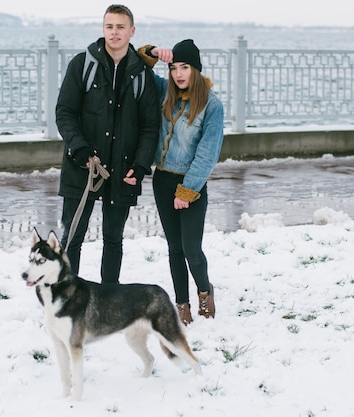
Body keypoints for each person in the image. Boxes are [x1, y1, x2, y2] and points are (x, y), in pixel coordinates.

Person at [55, 4, 160, 284]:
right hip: (83, 166)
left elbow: (150, 126)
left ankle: (109, 297)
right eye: (110, 26)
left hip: (123, 169)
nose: (115, 32)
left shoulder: (141, 73)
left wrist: (139, 166)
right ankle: (66, 296)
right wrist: (80, 150)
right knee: (72, 237)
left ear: (131, 31)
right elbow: (64, 112)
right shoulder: (82, 64)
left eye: (121, 27)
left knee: (113, 239)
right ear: (103, 29)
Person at [138, 39, 224, 325]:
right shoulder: (165, 91)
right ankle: (182, 304)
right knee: (174, 248)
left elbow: (208, 153)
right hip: (162, 179)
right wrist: (151, 54)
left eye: (185, 67)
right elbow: (141, 70)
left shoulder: (212, 105)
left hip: (192, 185)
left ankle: (203, 291)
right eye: (174, 68)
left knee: (191, 248)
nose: (178, 74)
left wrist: (187, 191)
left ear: (196, 69)